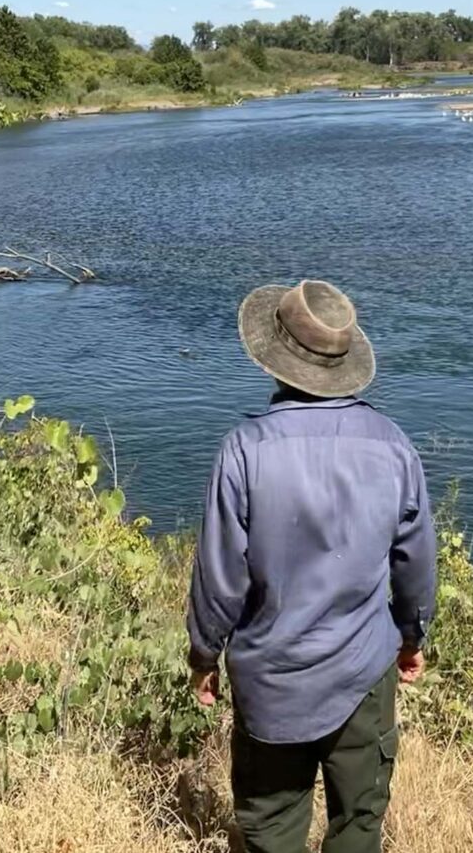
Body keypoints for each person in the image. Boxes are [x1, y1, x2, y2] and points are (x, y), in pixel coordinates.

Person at [187, 279, 437, 853]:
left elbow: (221, 579)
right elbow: (415, 566)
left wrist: (204, 655)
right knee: (359, 823)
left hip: (270, 679)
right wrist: (411, 636)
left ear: (274, 360)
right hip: (362, 672)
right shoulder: (394, 446)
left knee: (270, 828)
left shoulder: (244, 449)